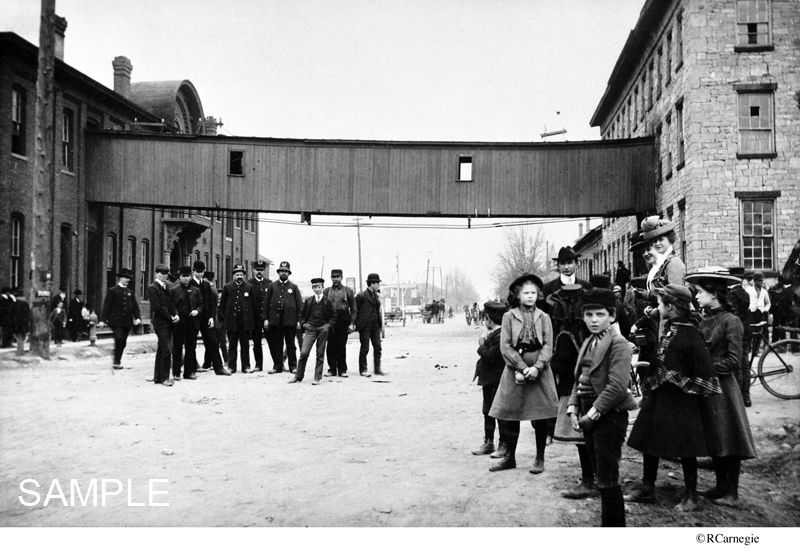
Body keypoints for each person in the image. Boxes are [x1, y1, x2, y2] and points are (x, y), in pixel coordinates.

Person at [626, 284, 721, 511]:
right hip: (662, 396)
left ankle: (691, 495)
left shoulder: (690, 333)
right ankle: (647, 488)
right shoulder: (671, 327)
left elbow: (704, 370)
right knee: (649, 437)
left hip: (683, 401)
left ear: (670, 306)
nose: (657, 308)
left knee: (686, 446)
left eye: (660, 304)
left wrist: (681, 381)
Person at [566, 288, 637, 527]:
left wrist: (592, 414)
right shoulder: (588, 341)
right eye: (588, 315)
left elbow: (617, 387)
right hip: (588, 414)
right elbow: (580, 378)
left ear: (612, 316)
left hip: (609, 418)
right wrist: (573, 407)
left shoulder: (619, 344)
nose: (593, 320)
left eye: (599, 314)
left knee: (608, 479)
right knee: (599, 474)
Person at [688, 268, 757, 507]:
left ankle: (732, 493)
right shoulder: (704, 319)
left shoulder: (731, 321)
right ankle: (720, 486)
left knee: (730, 436)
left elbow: (734, 359)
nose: (696, 297)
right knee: (715, 436)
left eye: (699, 292)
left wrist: (706, 367)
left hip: (724, 389)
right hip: (708, 387)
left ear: (714, 294)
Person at [488, 273, 558, 474]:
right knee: (511, 414)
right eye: (525, 293)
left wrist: (537, 367)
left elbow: (548, 345)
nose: (530, 296)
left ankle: (539, 458)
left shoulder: (544, 317)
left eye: (533, 293)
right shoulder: (509, 316)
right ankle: (510, 457)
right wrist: (521, 367)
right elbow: (506, 346)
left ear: (538, 295)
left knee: (541, 415)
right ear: (518, 295)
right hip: (514, 370)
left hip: (540, 371)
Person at [550, 284, 597, 499]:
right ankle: (592, 477)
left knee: (584, 435)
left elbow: (561, 361)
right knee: (585, 435)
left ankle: (591, 480)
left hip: (581, 386)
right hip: (579, 385)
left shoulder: (568, 334)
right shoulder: (586, 332)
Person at [471, 301, 508, 456]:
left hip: (496, 380)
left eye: (485, 318)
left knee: (497, 412)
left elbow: (490, 356)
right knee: (487, 411)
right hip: (489, 380)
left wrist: (481, 345)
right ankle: (488, 442)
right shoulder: (494, 334)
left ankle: (502, 445)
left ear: (489, 319)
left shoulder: (500, 336)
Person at [291, 278, 336, 385]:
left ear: (322, 287)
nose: (317, 289)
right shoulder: (308, 301)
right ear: (312, 288)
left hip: (322, 329)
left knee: (320, 354)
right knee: (304, 352)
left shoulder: (327, 301)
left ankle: (317, 377)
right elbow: (301, 315)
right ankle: (298, 376)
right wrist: (304, 324)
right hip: (310, 328)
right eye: (314, 287)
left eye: (319, 287)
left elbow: (333, 316)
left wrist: (328, 326)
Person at [264, 261, 303, 374]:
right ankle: (277, 366)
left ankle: (293, 366)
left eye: (286, 271)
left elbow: (300, 305)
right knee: (277, 344)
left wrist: (299, 321)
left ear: (289, 273)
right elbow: (266, 304)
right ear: (278, 272)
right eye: (282, 271)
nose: (284, 273)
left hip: (290, 321)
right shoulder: (272, 286)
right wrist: (266, 318)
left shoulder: (293, 287)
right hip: (275, 321)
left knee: (291, 344)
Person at [190, 261, 229, 375]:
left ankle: (219, 368)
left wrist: (212, 317)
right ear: (194, 271)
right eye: (198, 272)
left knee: (213, 342)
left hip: (206, 319)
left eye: (202, 272)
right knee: (191, 343)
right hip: (194, 318)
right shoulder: (189, 283)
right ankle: (192, 368)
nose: (200, 274)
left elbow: (212, 303)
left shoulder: (206, 285)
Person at [100, 268, 141, 369]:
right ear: (120, 278)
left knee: (123, 342)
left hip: (127, 322)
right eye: (126, 278)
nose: (128, 280)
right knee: (119, 338)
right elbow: (106, 306)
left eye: (129, 278)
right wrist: (103, 320)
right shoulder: (112, 291)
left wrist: (137, 317)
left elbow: (135, 306)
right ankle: (116, 362)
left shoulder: (130, 292)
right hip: (116, 321)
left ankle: (117, 358)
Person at [219, 264, 257, 374]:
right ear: (233, 276)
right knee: (232, 345)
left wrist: (251, 322)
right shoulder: (227, 287)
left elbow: (253, 306)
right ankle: (232, 367)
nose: (239, 276)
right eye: (237, 274)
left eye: (241, 274)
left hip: (245, 322)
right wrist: (223, 321)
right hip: (232, 322)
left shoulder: (249, 287)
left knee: (245, 345)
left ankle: (246, 366)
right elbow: (222, 306)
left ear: (244, 276)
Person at [169, 266, 203, 380]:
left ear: (190, 276)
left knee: (191, 348)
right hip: (179, 322)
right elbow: (171, 305)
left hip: (192, 323)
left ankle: (189, 372)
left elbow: (201, 305)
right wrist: (175, 314)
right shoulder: (173, 290)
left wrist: (197, 311)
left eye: (187, 276)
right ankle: (176, 373)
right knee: (177, 348)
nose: (186, 279)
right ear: (180, 277)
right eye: (183, 276)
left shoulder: (196, 290)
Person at [147, 263, 179, 386]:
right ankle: (164, 378)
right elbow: (157, 307)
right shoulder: (153, 288)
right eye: (162, 273)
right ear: (157, 274)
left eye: (166, 274)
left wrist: (175, 314)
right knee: (167, 350)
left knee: (161, 349)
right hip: (160, 323)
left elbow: (170, 304)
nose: (164, 276)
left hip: (167, 322)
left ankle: (157, 377)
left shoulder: (165, 287)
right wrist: (170, 317)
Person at [323, 269, 356, 377]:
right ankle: (332, 369)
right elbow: (322, 309)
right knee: (330, 346)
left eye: (338, 277)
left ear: (341, 277)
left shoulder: (348, 291)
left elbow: (354, 309)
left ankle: (342, 369)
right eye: (333, 277)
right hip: (330, 321)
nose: (335, 279)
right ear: (331, 278)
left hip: (343, 320)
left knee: (341, 345)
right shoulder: (326, 291)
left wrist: (352, 323)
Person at [728, 267, 753, 406]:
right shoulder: (744, 293)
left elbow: (734, 315)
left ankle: (738, 397)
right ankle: (747, 396)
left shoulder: (732, 294)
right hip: (747, 329)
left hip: (738, 330)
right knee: (745, 364)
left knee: (737, 364)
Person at [200, 271, 231, 375]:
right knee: (213, 342)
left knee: (216, 341)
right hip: (216, 319)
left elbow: (213, 306)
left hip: (215, 320)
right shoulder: (212, 289)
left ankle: (222, 362)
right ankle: (208, 363)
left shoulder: (210, 289)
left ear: (205, 279)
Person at [355, 273, 384, 377]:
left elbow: (377, 310)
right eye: (377, 283)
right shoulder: (361, 296)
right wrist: (355, 324)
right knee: (365, 348)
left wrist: (380, 324)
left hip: (375, 326)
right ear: (372, 284)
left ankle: (377, 369)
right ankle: (363, 369)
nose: (378, 286)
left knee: (378, 347)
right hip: (365, 326)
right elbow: (355, 311)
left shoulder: (376, 296)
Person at [247, 260, 272, 372]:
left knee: (272, 341)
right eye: (257, 269)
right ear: (253, 270)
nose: (259, 272)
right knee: (257, 343)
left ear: (264, 270)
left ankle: (278, 364)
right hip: (255, 318)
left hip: (267, 318)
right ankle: (258, 365)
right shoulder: (249, 284)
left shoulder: (269, 283)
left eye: (261, 270)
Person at [746, 271, 771, 346]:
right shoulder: (748, 290)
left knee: (763, 330)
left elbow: (768, 303)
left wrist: (765, 310)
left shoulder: (764, 292)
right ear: (755, 281)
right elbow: (745, 301)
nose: (761, 282)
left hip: (761, 313)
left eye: (761, 280)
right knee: (751, 330)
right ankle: (751, 348)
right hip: (751, 312)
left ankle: (765, 347)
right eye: (759, 280)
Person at [11, 289, 30, 355]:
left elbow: (11, 314)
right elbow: (28, 314)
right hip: (24, 323)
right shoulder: (25, 304)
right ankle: (20, 351)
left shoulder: (14, 304)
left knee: (19, 338)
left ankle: (19, 351)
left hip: (16, 324)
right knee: (21, 338)